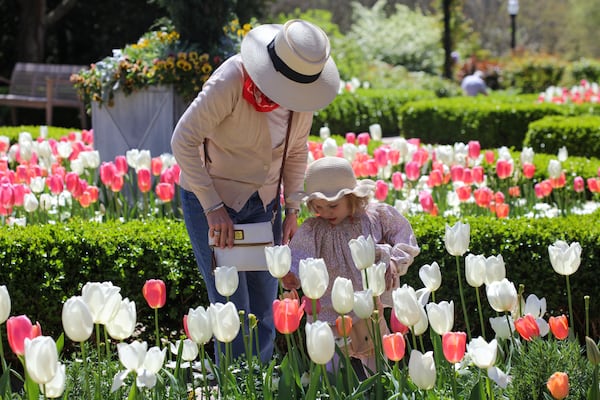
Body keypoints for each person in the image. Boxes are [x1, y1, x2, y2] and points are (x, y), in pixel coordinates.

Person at [171, 19, 340, 364]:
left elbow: (295, 151)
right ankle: (233, 384)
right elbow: (183, 140)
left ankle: (257, 379)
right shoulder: (231, 79)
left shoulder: (302, 93)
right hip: (213, 200)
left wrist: (292, 208)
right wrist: (212, 206)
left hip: (263, 204)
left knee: (265, 303)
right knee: (231, 304)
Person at [282, 156, 420, 374]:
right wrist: (292, 275)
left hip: (367, 305)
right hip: (328, 308)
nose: (326, 213)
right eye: (318, 206)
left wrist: (394, 260)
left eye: (332, 206)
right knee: (330, 363)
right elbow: (299, 257)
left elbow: (404, 235)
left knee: (376, 360)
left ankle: (379, 391)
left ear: (352, 198)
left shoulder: (373, 218)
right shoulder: (313, 229)